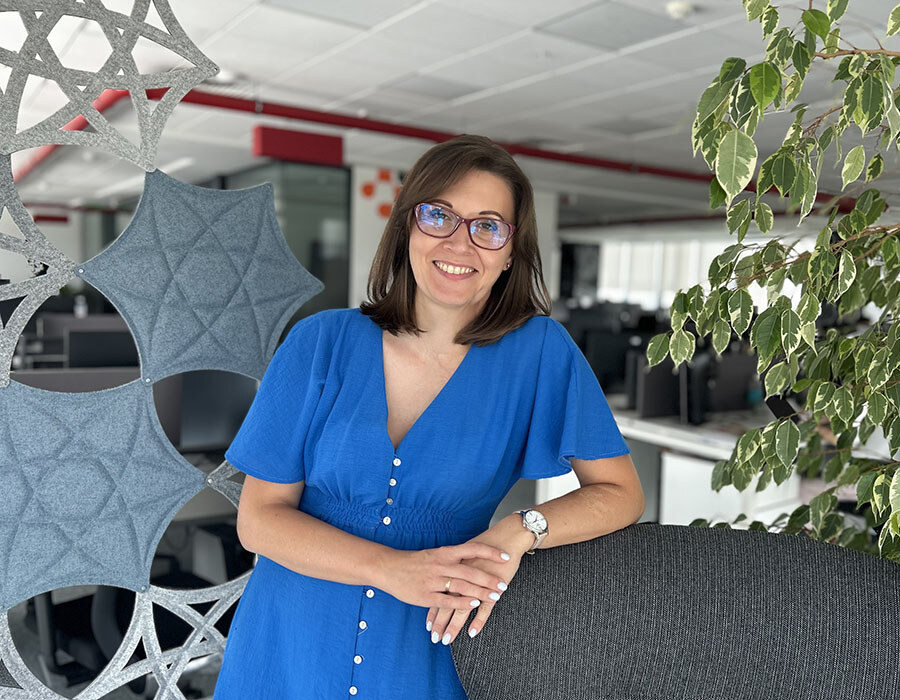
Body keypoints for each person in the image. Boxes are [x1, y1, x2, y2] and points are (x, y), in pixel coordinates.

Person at [212, 134, 645, 699]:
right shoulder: (320, 342)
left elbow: (620, 492)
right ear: (408, 227)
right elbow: (259, 520)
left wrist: (521, 530)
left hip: (430, 643)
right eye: (439, 215)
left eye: (488, 226)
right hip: (289, 639)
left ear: (511, 250)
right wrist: (387, 568)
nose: (460, 243)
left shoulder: (540, 353)